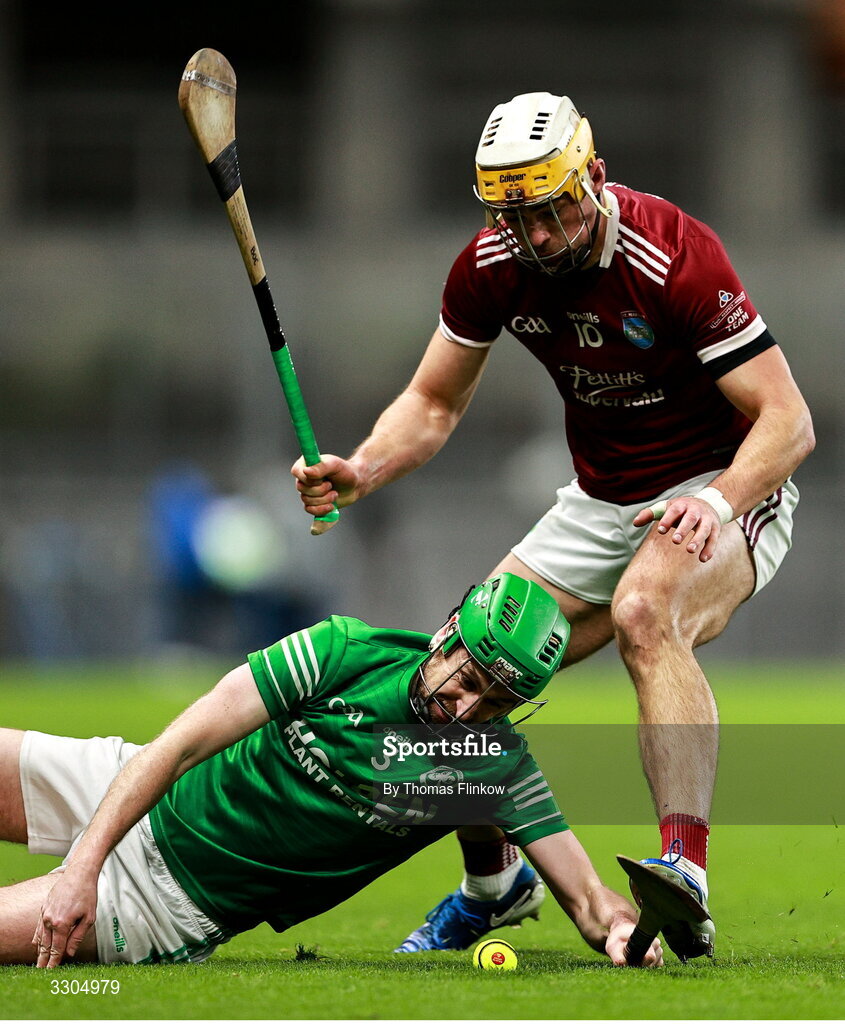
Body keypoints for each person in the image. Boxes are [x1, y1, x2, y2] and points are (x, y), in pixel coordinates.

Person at [291, 91, 816, 961]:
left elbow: (788, 422)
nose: (532, 235)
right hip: (601, 497)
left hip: (721, 483)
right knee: (446, 684)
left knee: (648, 611)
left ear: (592, 179)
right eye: (512, 215)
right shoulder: (491, 265)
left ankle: (684, 869)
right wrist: (363, 468)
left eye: (548, 210)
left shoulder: (674, 257)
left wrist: (716, 502)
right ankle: (494, 886)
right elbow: (430, 402)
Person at [0, 573, 662, 970]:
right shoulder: (341, 651)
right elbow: (177, 746)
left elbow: (588, 901)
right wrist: (84, 864)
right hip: (131, 782)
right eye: (467, 681)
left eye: (496, 702)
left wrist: (623, 928)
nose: (466, 712)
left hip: (167, 906)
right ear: (445, 636)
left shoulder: (492, 764)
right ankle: (491, 883)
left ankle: (491, 888)